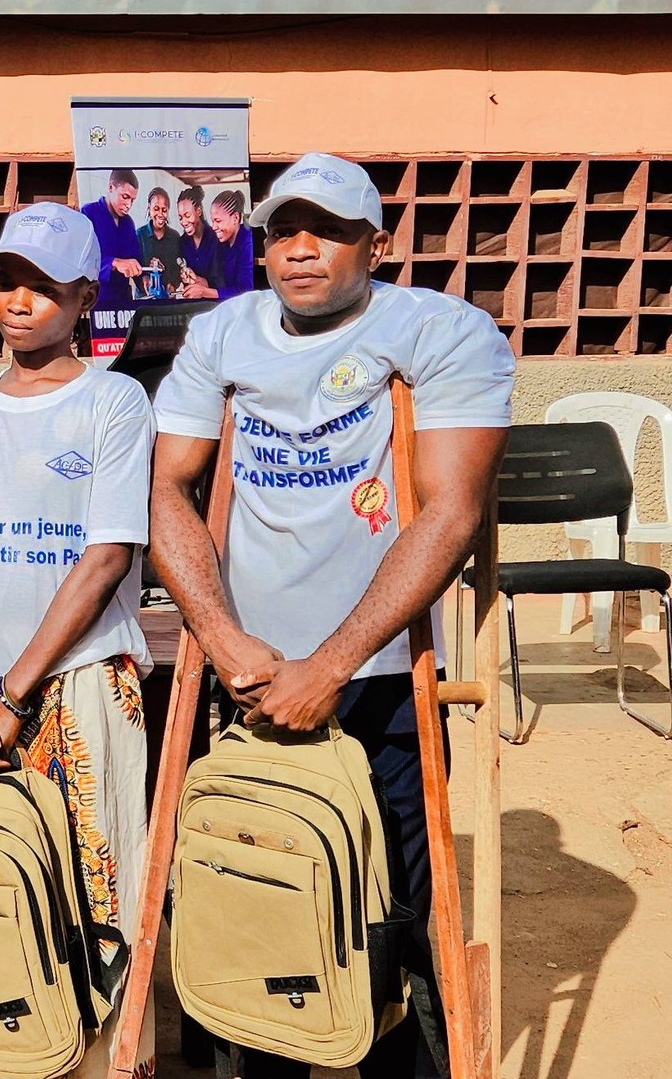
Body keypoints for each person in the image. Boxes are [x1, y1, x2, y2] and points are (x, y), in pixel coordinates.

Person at [149, 153, 514, 1079]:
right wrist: (226, 639)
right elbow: (166, 490)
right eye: (282, 232)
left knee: (392, 910)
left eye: (328, 232)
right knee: (261, 887)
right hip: (248, 676)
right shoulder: (222, 333)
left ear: (377, 244)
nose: (301, 250)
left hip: (385, 675)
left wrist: (337, 662)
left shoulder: (442, 330)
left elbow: (451, 510)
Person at [0, 202, 157, 1077]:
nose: (19, 301)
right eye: (5, 280)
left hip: (78, 688)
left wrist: (17, 688)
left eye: (43, 287)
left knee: (96, 904)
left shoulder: (115, 401)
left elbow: (105, 559)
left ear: (86, 296)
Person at [80, 168, 143, 312]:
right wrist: (113, 263)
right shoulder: (88, 214)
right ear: (110, 187)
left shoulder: (128, 223)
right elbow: (81, 262)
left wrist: (143, 278)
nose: (129, 205)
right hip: (96, 303)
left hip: (124, 302)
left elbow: (136, 259)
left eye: (132, 200)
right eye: (125, 197)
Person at [178, 189, 256, 301]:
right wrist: (198, 280)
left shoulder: (247, 243)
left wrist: (204, 292)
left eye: (218, 221)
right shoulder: (223, 243)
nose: (213, 227)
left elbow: (245, 291)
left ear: (235, 218)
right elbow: (219, 283)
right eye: (212, 221)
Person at [135, 185, 184, 290]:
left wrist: (172, 284)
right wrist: (143, 278)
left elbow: (178, 270)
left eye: (164, 210)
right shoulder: (139, 235)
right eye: (156, 209)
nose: (160, 214)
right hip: (145, 299)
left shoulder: (175, 237)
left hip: (168, 298)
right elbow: (135, 267)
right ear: (149, 208)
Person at [175, 185, 213, 296]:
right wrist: (185, 278)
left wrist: (199, 280)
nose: (184, 222)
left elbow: (223, 281)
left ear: (199, 211)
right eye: (180, 217)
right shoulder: (182, 242)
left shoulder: (216, 239)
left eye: (187, 215)